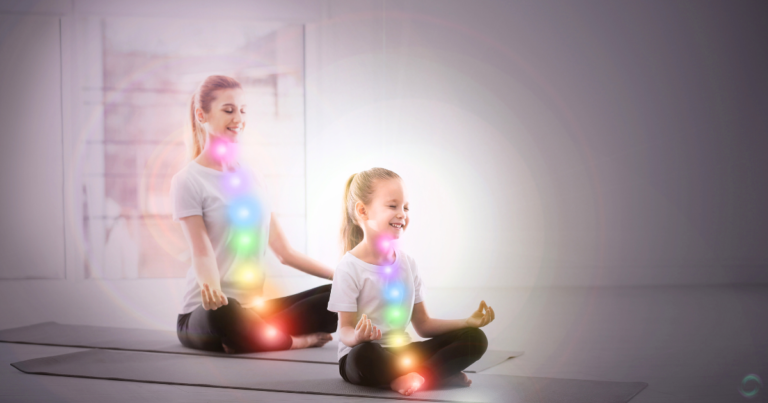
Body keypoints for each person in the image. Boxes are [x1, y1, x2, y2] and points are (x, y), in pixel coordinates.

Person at [172, 75, 336, 353]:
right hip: (207, 314)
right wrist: (211, 287)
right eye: (228, 109)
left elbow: (286, 254)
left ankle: (250, 337)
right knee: (226, 311)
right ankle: (291, 340)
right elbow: (202, 253)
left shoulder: (254, 178)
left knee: (345, 297)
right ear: (202, 115)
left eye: (242, 110)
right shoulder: (188, 180)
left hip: (255, 312)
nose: (238, 118)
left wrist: (345, 277)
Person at [328, 167, 495, 396]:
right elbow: (344, 330)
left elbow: (424, 325)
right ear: (363, 211)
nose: (402, 214)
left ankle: (417, 376)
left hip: (403, 354)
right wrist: (357, 337)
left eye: (406, 207)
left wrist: (467, 322)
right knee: (363, 355)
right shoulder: (348, 267)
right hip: (363, 356)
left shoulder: (408, 264)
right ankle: (435, 374)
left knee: (475, 339)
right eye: (392, 206)